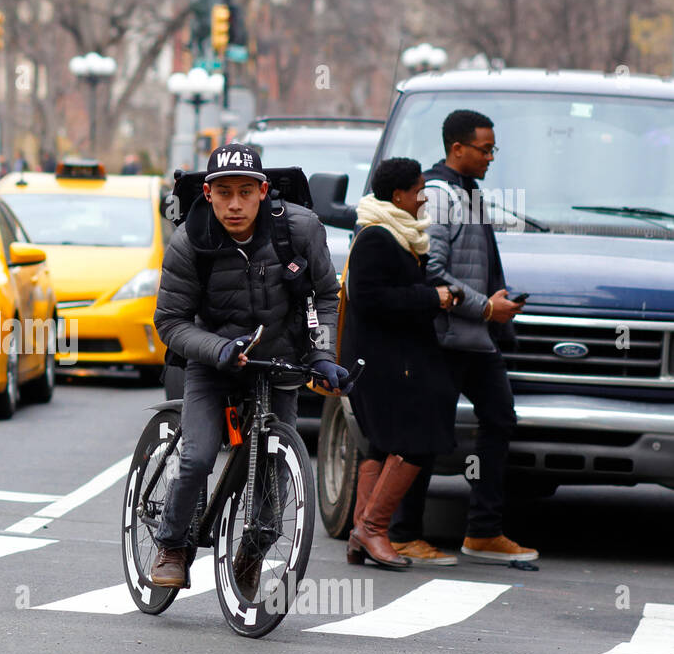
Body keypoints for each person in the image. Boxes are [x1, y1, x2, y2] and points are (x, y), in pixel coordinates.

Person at [150, 143, 348, 590]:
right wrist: (218, 349)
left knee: (273, 468)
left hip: (278, 358)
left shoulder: (301, 230)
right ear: (207, 192)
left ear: (263, 191)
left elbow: (325, 298)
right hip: (212, 358)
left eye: (245, 191)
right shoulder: (189, 242)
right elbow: (170, 322)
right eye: (223, 193)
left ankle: (254, 550)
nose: (234, 204)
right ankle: (172, 544)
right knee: (198, 457)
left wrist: (322, 356)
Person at [390, 110, 537, 564]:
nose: (491, 157)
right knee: (429, 432)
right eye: (485, 149)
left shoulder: (468, 193)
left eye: (493, 149)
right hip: (444, 335)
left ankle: (483, 532)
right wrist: (487, 306)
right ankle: (402, 533)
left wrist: (492, 309)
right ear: (458, 148)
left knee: (499, 418)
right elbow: (433, 270)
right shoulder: (437, 196)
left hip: (474, 337)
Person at [343, 158, 461, 568]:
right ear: (398, 196)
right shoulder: (377, 236)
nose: (423, 197)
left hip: (400, 357)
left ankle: (362, 531)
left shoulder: (399, 233)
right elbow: (370, 297)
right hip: (384, 361)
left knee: (385, 441)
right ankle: (374, 529)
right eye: (418, 190)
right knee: (416, 438)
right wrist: (434, 298)